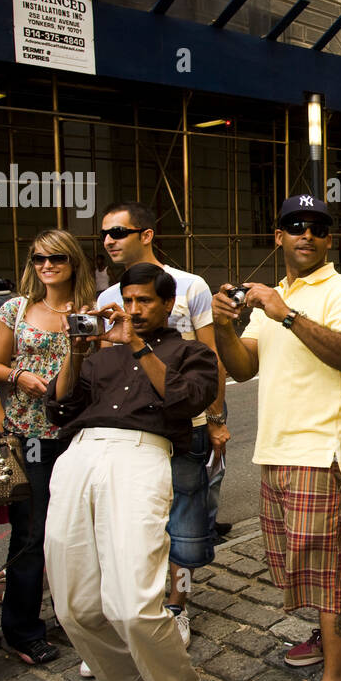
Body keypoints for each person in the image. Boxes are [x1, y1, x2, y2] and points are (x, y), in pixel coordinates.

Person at [212, 195, 341, 681]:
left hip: (323, 454)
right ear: (278, 236)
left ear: (329, 240)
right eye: (295, 226)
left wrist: (288, 314)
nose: (307, 234)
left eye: (318, 228)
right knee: (311, 569)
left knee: (328, 574)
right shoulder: (275, 298)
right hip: (276, 451)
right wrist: (224, 328)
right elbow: (243, 368)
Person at [44, 263, 220, 681]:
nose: (136, 310)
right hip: (80, 453)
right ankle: (126, 680)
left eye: (146, 301)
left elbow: (183, 401)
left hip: (143, 456)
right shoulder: (100, 355)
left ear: (168, 305)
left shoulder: (192, 352)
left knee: (133, 603)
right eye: (129, 300)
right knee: (73, 604)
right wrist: (76, 352)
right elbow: (59, 407)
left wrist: (138, 345)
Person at [97, 202, 229, 654]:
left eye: (118, 230)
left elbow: (211, 358)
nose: (110, 240)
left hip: (186, 423)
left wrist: (215, 421)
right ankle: (141, 607)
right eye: (104, 234)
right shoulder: (105, 298)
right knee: (136, 525)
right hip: (131, 432)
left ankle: (178, 605)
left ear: (146, 234)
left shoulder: (191, 286)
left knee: (184, 524)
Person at [0, 230, 97, 666]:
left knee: (78, 531)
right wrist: (19, 377)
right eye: (38, 259)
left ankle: (77, 618)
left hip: (79, 430)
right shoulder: (15, 309)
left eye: (56, 258)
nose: (47, 265)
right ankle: (21, 630)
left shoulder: (89, 311)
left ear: (73, 263)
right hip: (31, 434)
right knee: (31, 534)